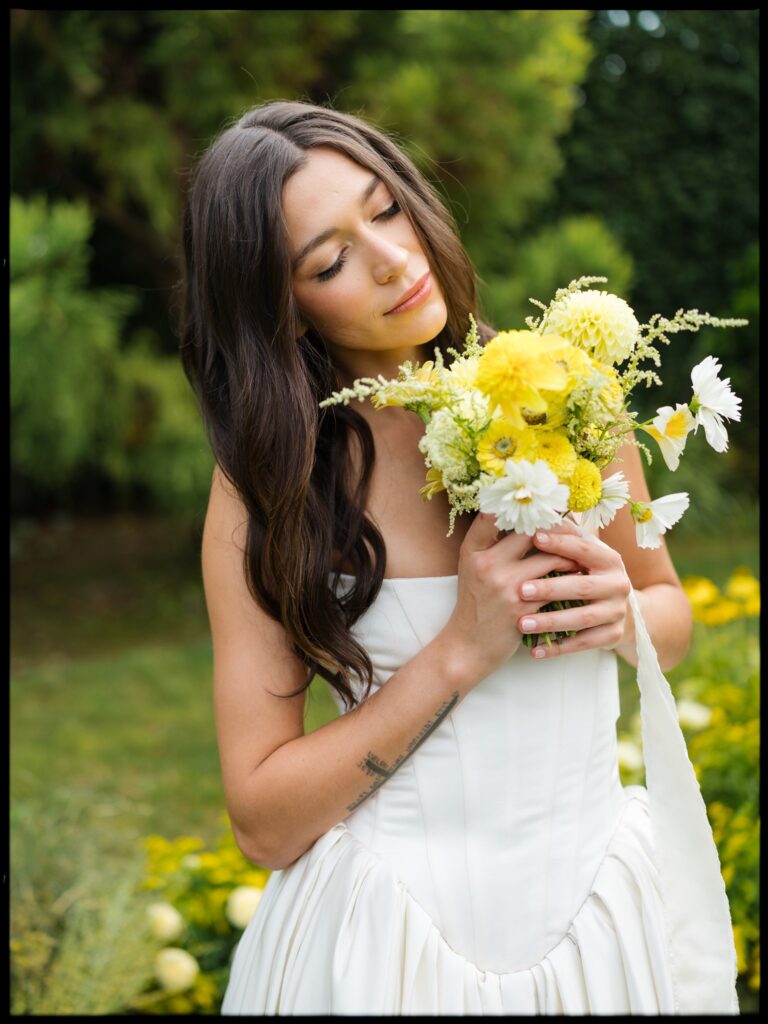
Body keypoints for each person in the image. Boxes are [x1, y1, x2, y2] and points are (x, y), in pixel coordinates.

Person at [178, 99, 739, 1014]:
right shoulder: (265, 487)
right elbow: (263, 823)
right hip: (385, 955)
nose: (393, 259)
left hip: (599, 928)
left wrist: (623, 614)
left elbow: (668, 620)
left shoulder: (573, 400)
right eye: (330, 259)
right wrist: (457, 654)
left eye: (386, 210)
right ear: (283, 307)